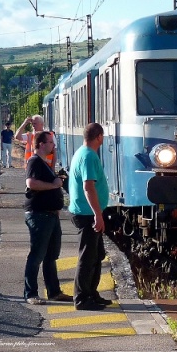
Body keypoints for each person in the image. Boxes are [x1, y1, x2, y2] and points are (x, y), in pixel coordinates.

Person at [23, 131, 73, 305]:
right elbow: (31, 183)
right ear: (42, 144)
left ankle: (54, 292)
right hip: (39, 215)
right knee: (36, 255)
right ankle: (31, 294)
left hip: (50, 215)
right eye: (50, 142)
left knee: (51, 256)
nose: (53, 145)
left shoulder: (44, 163)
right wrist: (53, 184)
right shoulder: (34, 161)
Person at [68, 123, 111, 311]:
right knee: (87, 257)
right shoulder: (88, 157)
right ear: (99, 137)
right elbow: (88, 187)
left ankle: (92, 293)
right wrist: (98, 215)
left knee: (97, 254)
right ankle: (81, 298)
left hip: (86, 212)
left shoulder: (82, 152)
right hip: (87, 214)